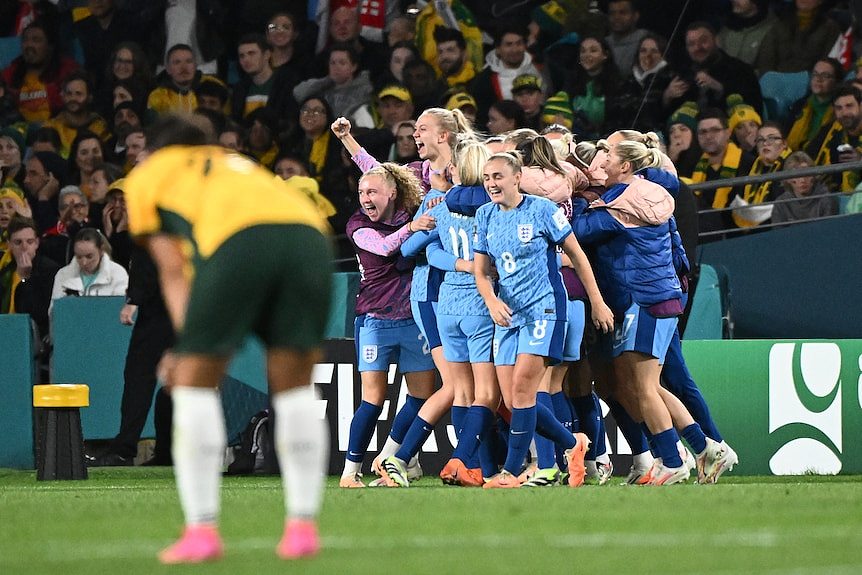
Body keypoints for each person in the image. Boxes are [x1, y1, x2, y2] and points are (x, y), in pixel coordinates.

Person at [124, 113, 334, 563]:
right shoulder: (235, 163)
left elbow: (173, 269)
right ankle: (302, 527)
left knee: (193, 384)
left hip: (238, 244)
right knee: (295, 388)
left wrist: (187, 348)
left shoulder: (147, 176)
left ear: (153, 150)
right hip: (310, 238)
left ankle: (202, 531)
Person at [473, 152, 614, 488]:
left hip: (544, 309)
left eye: (498, 176)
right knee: (512, 401)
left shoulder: (542, 210)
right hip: (507, 314)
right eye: (487, 178)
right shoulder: (484, 215)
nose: (492, 183)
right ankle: (572, 444)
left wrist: (597, 301)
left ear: (517, 177)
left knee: (524, 389)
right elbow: (480, 271)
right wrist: (491, 301)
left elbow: (577, 255)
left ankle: (510, 472)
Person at [338, 162, 437, 488]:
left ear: (392, 193)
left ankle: (395, 459)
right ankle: (350, 472)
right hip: (375, 321)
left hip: (411, 320)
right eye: (362, 192)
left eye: (372, 191)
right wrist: (413, 228)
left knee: (421, 397)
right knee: (373, 398)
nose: (365, 198)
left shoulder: (408, 214)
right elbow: (383, 247)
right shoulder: (357, 224)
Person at [0, 216, 59, 341]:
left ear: (37, 243)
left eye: (29, 242)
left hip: (31, 337)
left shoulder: (50, 271)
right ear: (9, 244)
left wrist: (24, 278)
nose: (24, 247)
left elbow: (38, 315)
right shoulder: (4, 272)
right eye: (18, 242)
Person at [49, 227, 128, 315]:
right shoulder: (63, 275)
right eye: (79, 257)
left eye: (89, 256)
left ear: (101, 250)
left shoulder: (118, 274)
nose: (84, 262)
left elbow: (121, 312)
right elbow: (54, 314)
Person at [805, 84, 862, 193]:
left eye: (849, 106)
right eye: (839, 108)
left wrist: (860, 161)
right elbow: (835, 179)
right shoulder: (836, 138)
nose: (844, 113)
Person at [786, 58, 843, 151]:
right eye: (815, 74)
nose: (818, 79)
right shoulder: (799, 106)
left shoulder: (840, 109)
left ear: (836, 81)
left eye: (825, 75)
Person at [771, 150, 838, 224]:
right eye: (797, 175)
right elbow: (778, 233)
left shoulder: (826, 199)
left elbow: (829, 230)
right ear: (788, 179)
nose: (803, 180)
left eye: (807, 174)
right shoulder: (781, 204)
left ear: (813, 176)